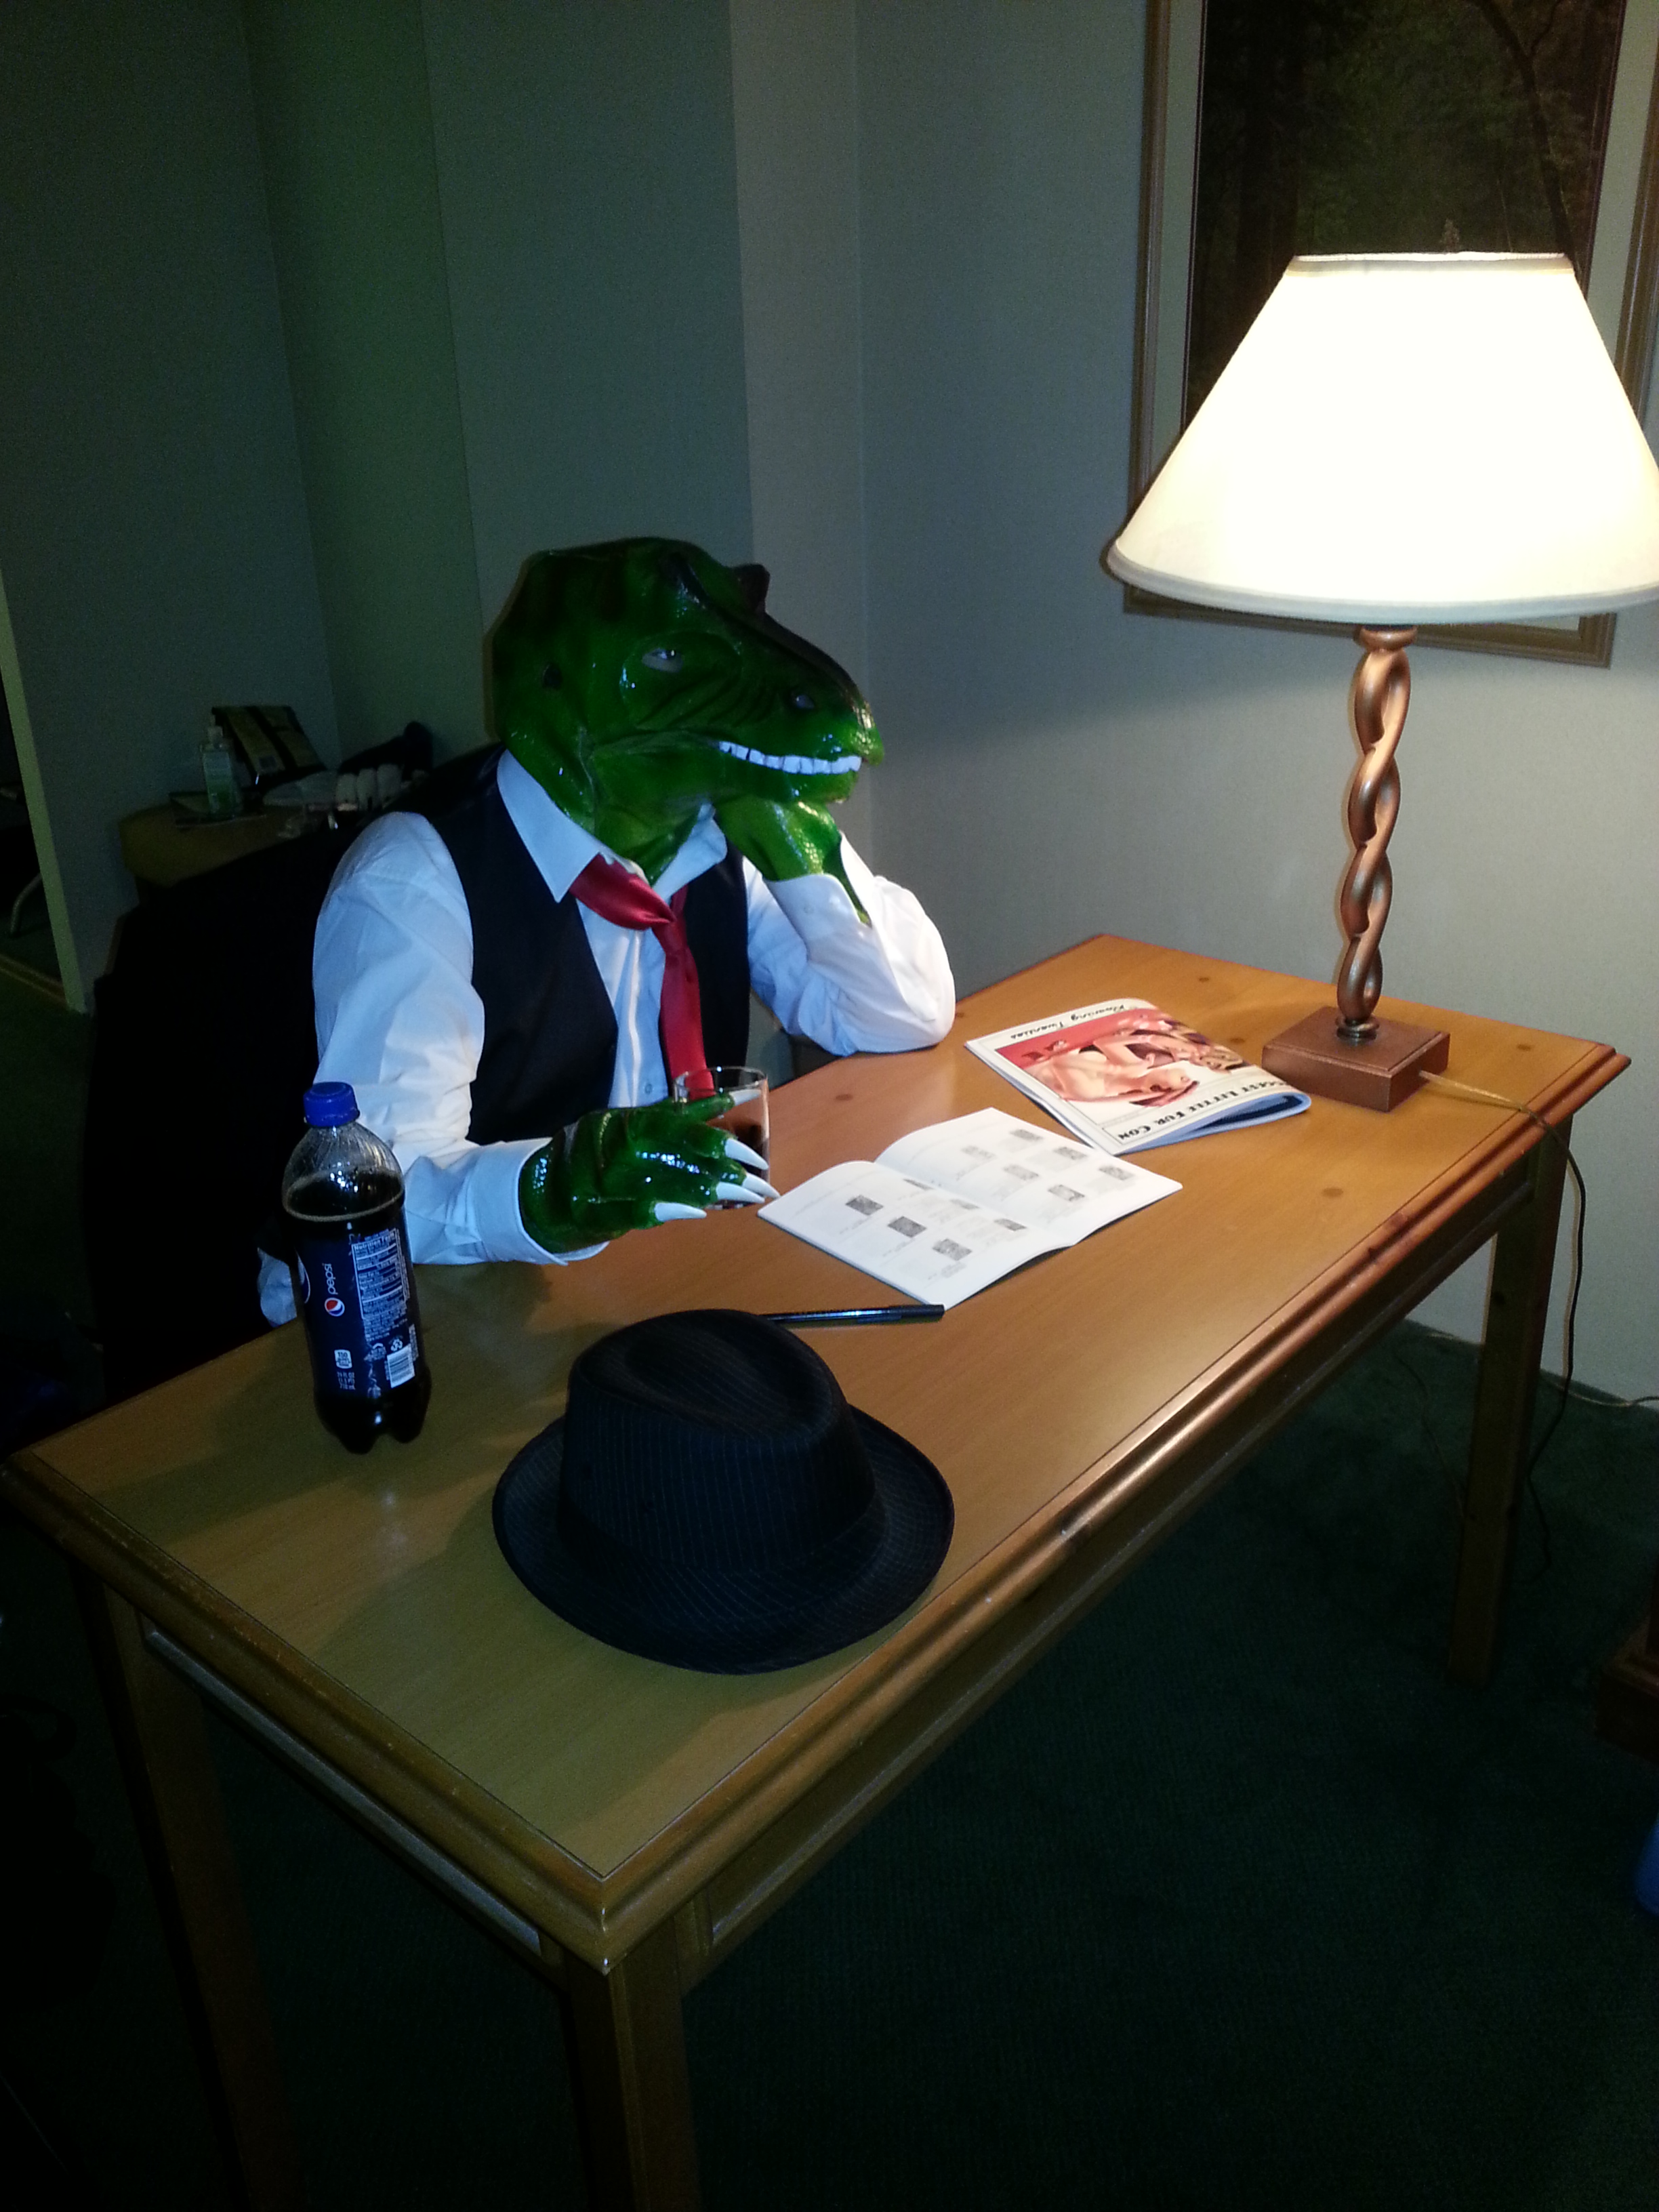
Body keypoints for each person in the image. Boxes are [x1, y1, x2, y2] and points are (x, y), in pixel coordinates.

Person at [259, 540, 953, 1322]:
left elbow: (901, 1015)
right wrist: (562, 1188)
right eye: (668, 656)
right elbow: (383, 1193)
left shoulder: (710, 833)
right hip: (425, 1312)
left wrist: (800, 849)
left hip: (649, 1279)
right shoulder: (416, 879)